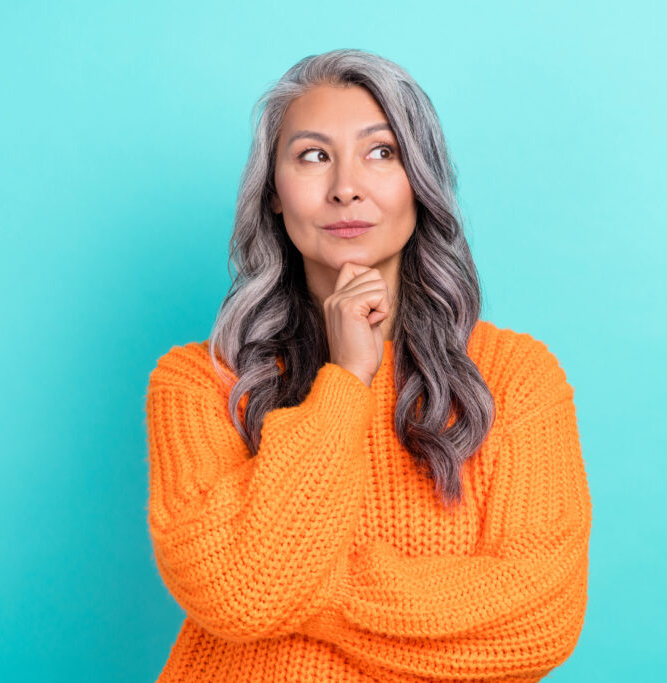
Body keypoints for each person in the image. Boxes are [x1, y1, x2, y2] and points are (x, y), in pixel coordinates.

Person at [143, 48, 592, 682]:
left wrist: (305, 588)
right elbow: (238, 593)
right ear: (273, 193)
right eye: (313, 156)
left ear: (421, 181)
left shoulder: (515, 377)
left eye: (381, 152)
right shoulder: (200, 385)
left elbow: (537, 622)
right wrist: (347, 379)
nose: (345, 186)